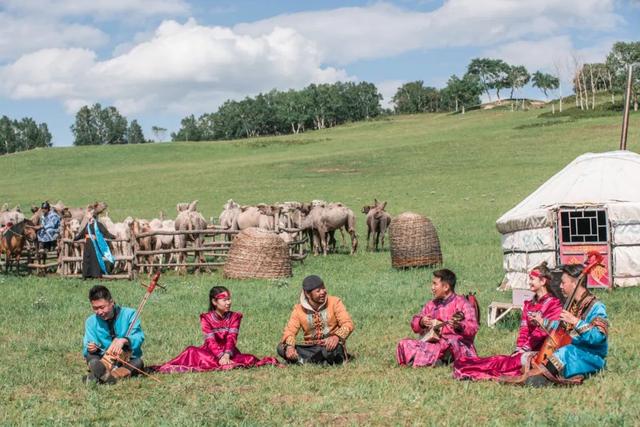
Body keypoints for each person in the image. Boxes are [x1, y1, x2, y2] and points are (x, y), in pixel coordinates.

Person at [453, 262, 562, 380]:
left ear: (543, 281)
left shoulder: (554, 304)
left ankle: (470, 370)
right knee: (501, 361)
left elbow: (542, 332)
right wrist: (518, 348)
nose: (529, 282)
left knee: (505, 365)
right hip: (527, 348)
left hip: (542, 352)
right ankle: (467, 366)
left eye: (532, 279)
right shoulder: (529, 304)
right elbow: (524, 329)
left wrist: (525, 348)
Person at [153, 286, 279, 373]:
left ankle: (225, 362)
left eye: (229, 299)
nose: (228, 302)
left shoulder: (235, 317)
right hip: (211, 352)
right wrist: (220, 356)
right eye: (224, 300)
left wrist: (226, 355)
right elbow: (210, 341)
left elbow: (231, 338)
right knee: (191, 351)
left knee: (249, 359)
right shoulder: (206, 318)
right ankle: (222, 363)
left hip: (230, 352)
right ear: (214, 302)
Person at [521, 263, 609, 386]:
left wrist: (575, 321)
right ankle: (544, 374)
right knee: (531, 357)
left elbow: (599, 337)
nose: (560, 286)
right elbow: (561, 329)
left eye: (563, 282)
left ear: (575, 283)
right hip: (572, 350)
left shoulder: (596, 306)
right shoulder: (572, 305)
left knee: (564, 352)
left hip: (591, 356)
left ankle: (543, 377)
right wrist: (542, 322)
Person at [396, 269, 478, 367]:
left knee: (452, 343)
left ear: (446, 287)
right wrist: (421, 322)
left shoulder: (463, 303)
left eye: (435, 284)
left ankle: (437, 359)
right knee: (404, 343)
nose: (432, 288)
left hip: (454, 345)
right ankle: (439, 360)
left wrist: (459, 326)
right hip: (435, 345)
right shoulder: (431, 305)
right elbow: (415, 324)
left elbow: (473, 327)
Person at [277, 275, 354, 365]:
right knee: (281, 347)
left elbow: (348, 324)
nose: (323, 292)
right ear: (307, 294)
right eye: (318, 291)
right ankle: (318, 361)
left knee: (329, 350)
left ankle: (304, 361)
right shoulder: (298, 310)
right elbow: (290, 331)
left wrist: (336, 337)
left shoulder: (335, 302)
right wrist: (290, 347)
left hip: (330, 346)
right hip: (310, 347)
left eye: (323, 288)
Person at [82, 285, 144, 384]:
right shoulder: (91, 322)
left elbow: (138, 337)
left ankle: (104, 377)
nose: (99, 312)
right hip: (103, 360)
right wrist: (91, 348)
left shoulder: (130, 314)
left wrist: (124, 340)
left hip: (125, 360)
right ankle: (105, 373)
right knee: (91, 357)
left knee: (138, 362)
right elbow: (87, 347)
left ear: (111, 302)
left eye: (102, 307)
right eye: (95, 308)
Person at [74, 214, 115, 278]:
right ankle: (87, 274)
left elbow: (105, 232)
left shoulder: (98, 224)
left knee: (95, 259)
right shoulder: (87, 225)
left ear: (93, 216)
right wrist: (75, 238)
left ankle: (95, 274)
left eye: (89, 215)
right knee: (87, 259)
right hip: (87, 245)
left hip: (94, 244)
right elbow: (82, 234)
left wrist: (113, 237)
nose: (87, 216)